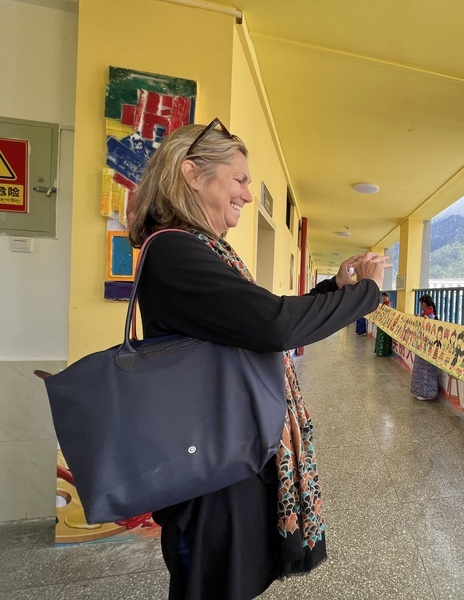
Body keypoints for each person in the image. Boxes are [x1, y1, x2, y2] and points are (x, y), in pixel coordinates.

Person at [127, 119, 390, 600]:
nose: (248, 195)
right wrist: (366, 294)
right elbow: (273, 325)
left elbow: (256, 323)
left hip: (224, 450)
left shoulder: (199, 248)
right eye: (241, 179)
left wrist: (335, 288)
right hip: (209, 467)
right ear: (191, 174)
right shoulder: (173, 253)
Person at [411, 294, 440, 400]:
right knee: (420, 368)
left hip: (428, 348)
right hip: (422, 346)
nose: (420, 306)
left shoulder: (430, 317)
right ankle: (419, 391)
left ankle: (427, 393)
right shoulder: (425, 315)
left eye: (421, 304)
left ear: (423, 304)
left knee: (426, 370)